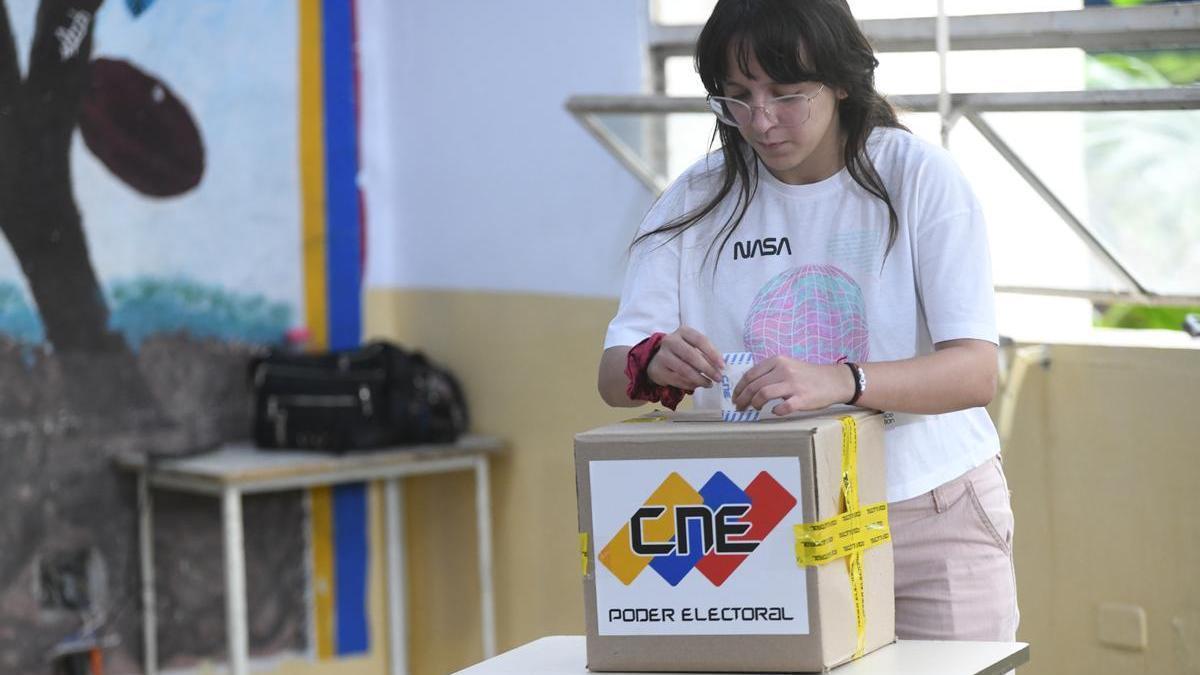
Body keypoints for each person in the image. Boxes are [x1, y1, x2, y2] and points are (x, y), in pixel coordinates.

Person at [596, 0, 1017, 642]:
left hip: (931, 508)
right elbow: (612, 375)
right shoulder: (692, 200)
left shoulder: (917, 178)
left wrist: (841, 381)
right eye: (735, 98)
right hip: (757, 515)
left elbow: (976, 372)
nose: (760, 121)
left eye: (787, 94)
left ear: (843, 80)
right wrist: (651, 362)